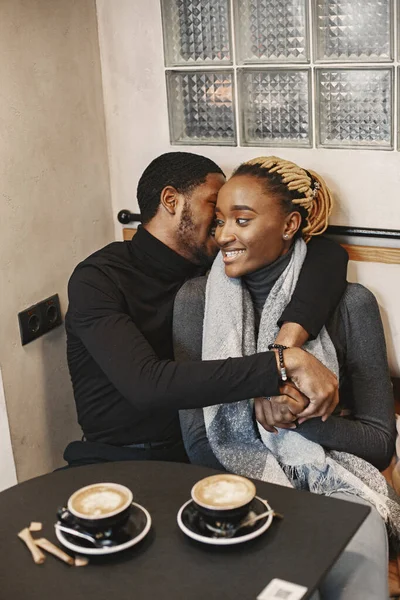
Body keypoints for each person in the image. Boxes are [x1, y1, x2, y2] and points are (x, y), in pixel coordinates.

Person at [173, 156, 398, 600]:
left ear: (291, 223)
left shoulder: (352, 305)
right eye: (219, 221)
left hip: (337, 481)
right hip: (235, 484)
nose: (224, 236)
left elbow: (378, 442)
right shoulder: (194, 302)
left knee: (352, 551)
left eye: (242, 219)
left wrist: (297, 418)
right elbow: (199, 440)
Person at [64, 152, 348, 467]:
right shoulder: (98, 279)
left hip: (207, 450)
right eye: (215, 206)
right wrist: (281, 365)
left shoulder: (217, 266)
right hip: (121, 457)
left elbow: (326, 255)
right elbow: (147, 385)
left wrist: (286, 342)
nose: (222, 225)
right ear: (171, 200)